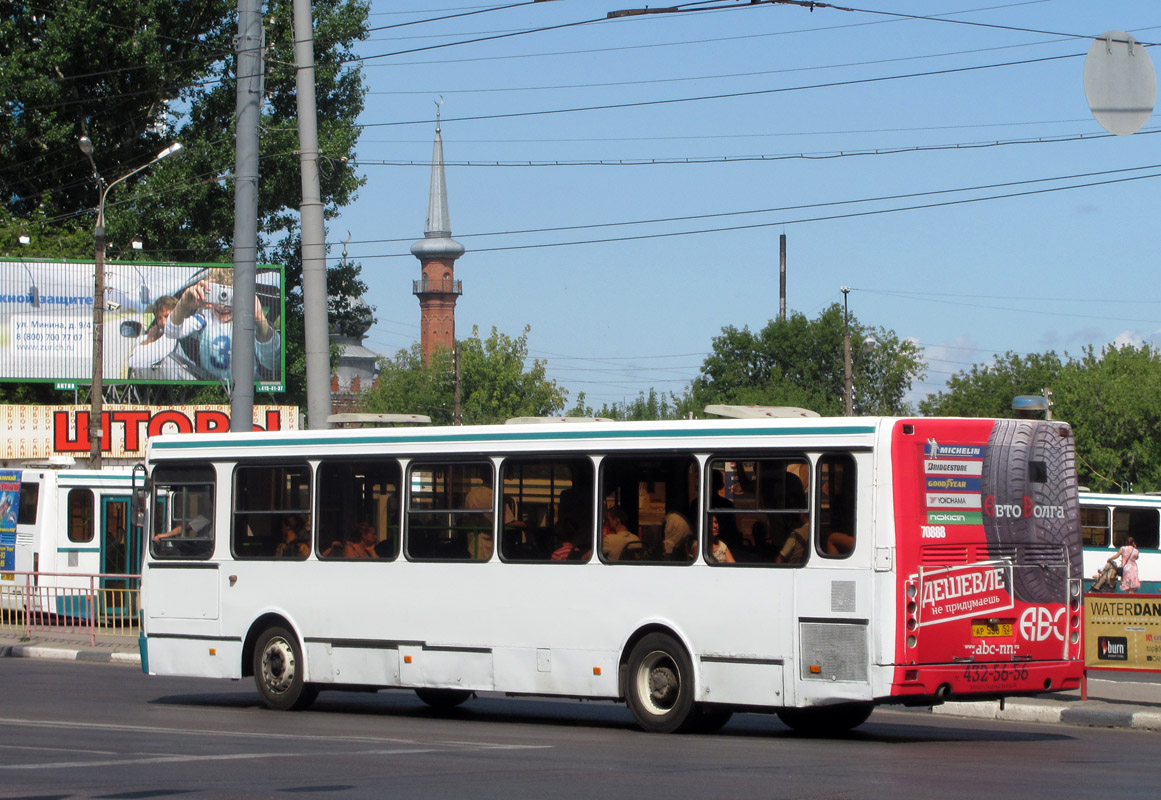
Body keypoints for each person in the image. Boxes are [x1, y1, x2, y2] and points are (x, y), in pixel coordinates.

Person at [165, 268, 280, 382]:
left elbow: (272, 363)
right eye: (218, 295)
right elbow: (172, 332)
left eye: (230, 296)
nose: (223, 305)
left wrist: (260, 320)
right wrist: (183, 304)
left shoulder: (249, 323)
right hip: (211, 384)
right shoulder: (205, 318)